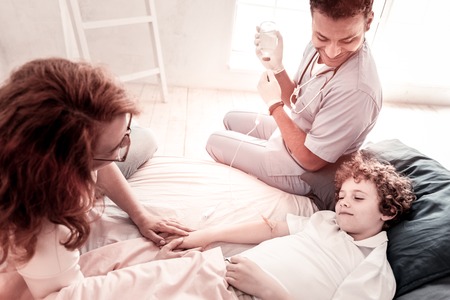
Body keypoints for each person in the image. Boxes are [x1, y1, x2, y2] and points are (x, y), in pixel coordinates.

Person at [0, 58, 195, 299]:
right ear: (67, 171)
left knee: (147, 138)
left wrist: (141, 214)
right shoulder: (43, 232)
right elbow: (67, 294)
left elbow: (103, 163)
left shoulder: (28, 133)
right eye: (115, 147)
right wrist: (150, 269)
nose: (125, 145)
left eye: (126, 131)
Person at [172, 150, 416, 299]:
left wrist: (267, 290)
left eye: (358, 198)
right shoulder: (325, 220)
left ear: (388, 211)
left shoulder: (373, 268)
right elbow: (273, 228)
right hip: (218, 273)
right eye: (341, 196)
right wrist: (205, 236)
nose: (343, 203)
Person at [206, 0, 382, 200]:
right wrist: (276, 66)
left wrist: (274, 106)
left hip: (301, 169)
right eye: (322, 37)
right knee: (230, 119)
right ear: (313, 22)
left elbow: (311, 160)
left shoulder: (357, 92)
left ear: (368, 22)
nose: (332, 52)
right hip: (297, 135)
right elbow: (298, 102)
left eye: (348, 40)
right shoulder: (319, 46)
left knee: (214, 141)